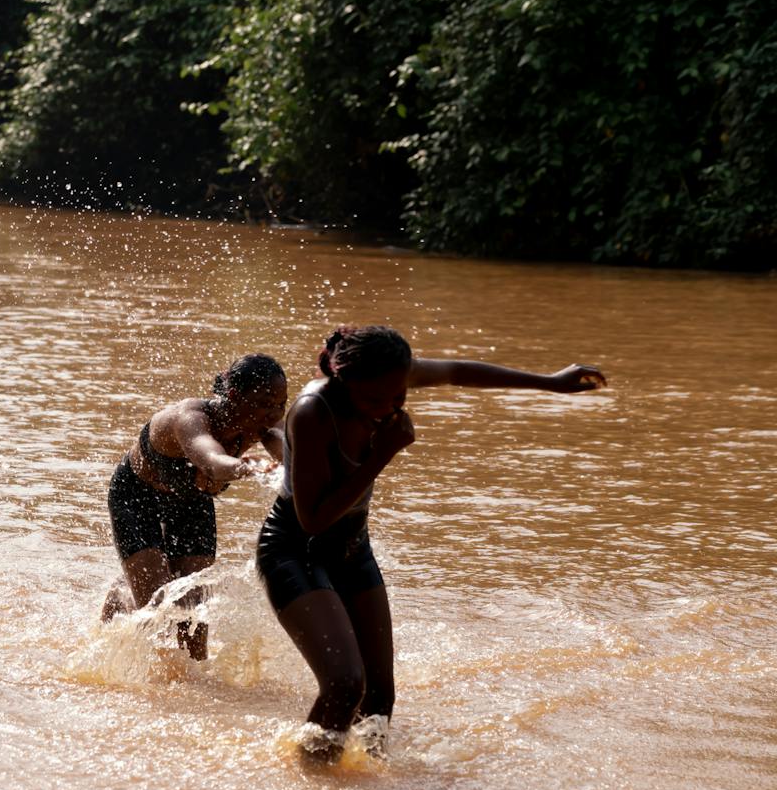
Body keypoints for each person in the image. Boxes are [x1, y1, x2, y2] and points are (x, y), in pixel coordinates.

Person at [260, 325, 606, 761]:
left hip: (352, 547)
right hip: (296, 549)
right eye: (374, 400)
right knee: (345, 684)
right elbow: (313, 520)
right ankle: (310, 778)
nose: (389, 407)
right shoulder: (313, 411)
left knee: (379, 698)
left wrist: (550, 383)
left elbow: (458, 371)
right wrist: (382, 454)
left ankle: (364, 784)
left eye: (399, 395)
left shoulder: (388, 377)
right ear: (344, 382)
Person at [102, 353, 288, 659]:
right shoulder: (189, 419)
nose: (274, 414)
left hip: (192, 502)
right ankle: (124, 595)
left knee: (194, 623)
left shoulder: (267, 425)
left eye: (281, 404)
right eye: (265, 404)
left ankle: (195, 681)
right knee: (158, 614)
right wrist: (248, 466)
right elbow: (212, 462)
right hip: (137, 497)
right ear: (233, 396)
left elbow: (293, 459)